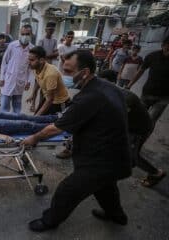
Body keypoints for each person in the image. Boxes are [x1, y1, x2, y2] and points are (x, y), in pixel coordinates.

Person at [22, 50, 131, 232]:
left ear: (85, 72)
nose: (64, 75)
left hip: (101, 159)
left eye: (69, 71)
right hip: (116, 153)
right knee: (106, 188)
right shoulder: (107, 86)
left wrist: (34, 137)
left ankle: (49, 221)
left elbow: (56, 127)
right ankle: (117, 216)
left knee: (68, 190)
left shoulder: (89, 98)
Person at [99, 69, 166, 187]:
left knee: (132, 156)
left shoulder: (125, 97)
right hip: (130, 126)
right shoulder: (107, 93)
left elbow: (117, 121)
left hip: (138, 129)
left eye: (103, 83)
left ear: (112, 83)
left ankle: (156, 173)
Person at [127, 36, 169, 126]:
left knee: (150, 120)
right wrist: (129, 85)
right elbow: (140, 71)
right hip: (147, 93)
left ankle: (142, 139)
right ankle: (132, 137)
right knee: (137, 117)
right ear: (163, 45)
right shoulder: (152, 56)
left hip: (164, 98)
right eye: (167, 48)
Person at [0, 25, 34, 113]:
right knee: (4, 108)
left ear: (31, 34)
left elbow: (31, 67)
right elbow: (4, 62)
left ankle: (15, 124)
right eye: (23, 34)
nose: (25, 36)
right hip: (8, 80)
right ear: (20, 34)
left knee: (17, 107)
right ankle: (3, 125)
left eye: (27, 34)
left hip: (20, 82)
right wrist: (1, 78)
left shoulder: (32, 49)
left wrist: (28, 81)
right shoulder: (12, 45)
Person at [26, 46, 70, 115]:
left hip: (59, 103)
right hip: (48, 98)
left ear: (41, 60)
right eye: (29, 59)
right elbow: (38, 82)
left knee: (38, 121)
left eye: (32, 60)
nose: (29, 62)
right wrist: (32, 96)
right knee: (36, 119)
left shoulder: (50, 74)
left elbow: (50, 100)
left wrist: (37, 116)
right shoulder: (36, 68)